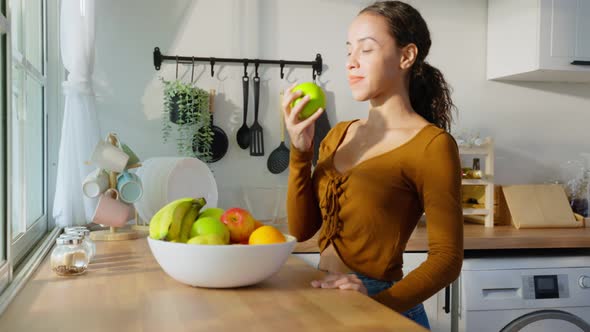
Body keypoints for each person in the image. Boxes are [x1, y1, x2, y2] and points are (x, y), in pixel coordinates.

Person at [282, 1, 463, 329]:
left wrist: (377, 305)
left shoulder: (432, 146)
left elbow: (447, 259)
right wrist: (300, 151)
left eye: (366, 49)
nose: (351, 62)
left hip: (383, 305)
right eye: (349, 50)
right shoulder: (339, 134)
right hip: (330, 297)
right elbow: (302, 229)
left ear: (406, 57)